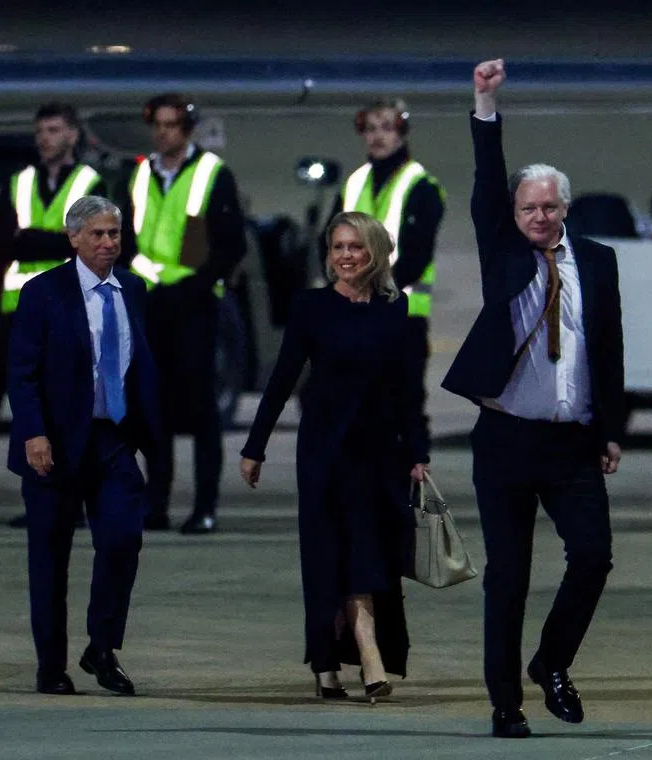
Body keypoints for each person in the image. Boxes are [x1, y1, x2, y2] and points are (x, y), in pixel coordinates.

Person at [441, 59, 625, 739]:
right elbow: (489, 179)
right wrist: (486, 104)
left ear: (565, 208)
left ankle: (550, 661)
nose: (539, 217)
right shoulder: (505, 250)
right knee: (508, 577)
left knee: (596, 557)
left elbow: (609, 348)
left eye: (549, 207)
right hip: (507, 439)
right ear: (513, 214)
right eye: (528, 208)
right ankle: (505, 704)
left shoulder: (599, 261)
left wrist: (612, 428)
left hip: (573, 440)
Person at [239, 211, 429, 702]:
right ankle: (365, 659)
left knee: (368, 553)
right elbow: (282, 378)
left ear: (374, 253)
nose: (345, 256)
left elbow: (406, 387)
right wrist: (254, 446)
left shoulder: (394, 307)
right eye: (337, 247)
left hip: (379, 452)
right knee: (332, 555)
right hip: (325, 450)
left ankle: (328, 664)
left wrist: (418, 450)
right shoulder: (311, 306)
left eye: (355, 247)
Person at [6, 196, 161, 696]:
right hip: (53, 443)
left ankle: (101, 646)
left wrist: (150, 436)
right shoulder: (43, 293)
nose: (108, 243)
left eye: (114, 234)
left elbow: (141, 367)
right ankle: (51, 665)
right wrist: (33, 433)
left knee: (122, 539)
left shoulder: (132, 290)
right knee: (50, 559)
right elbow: (22, 371)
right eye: (97, 235)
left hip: (110, 439)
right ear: (74, 238)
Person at [120, 92, 249, 535]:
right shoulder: (140, 175)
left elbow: (232, 245)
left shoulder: (213, 176)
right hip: (151, 303)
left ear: (188, 130)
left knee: (200, 410)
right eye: (157, 124)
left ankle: (205, 506)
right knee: (150, 408)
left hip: (195, 306)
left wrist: (195, 285)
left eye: (171, 125)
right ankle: (155, 504)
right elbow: (127, 239)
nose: (162, 132)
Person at [323, 97, 446, 448]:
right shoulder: (353, 185)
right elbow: (327, 243)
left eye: (387, 128)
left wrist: (371, 290)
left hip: (401, 317)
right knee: (356, 415)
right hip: (353, 316)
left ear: (402, 133)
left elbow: (417, 255)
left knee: (404, 412)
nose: (378, 137)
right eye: (371, 128)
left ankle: (412, 496)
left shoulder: (421, 187)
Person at [5, 102, 106, 529]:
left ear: (72, 136)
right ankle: (40, 499)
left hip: (72, 307)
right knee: (30, 408)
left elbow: (84, 244)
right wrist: (53, 241)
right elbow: (7, 240)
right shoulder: (21, 182)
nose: (45, 138)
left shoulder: (89, 182)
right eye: (40, 130)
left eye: (53, 130)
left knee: (74, 408)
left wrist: (35, 241)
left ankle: (77, 500)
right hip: (23, 306)